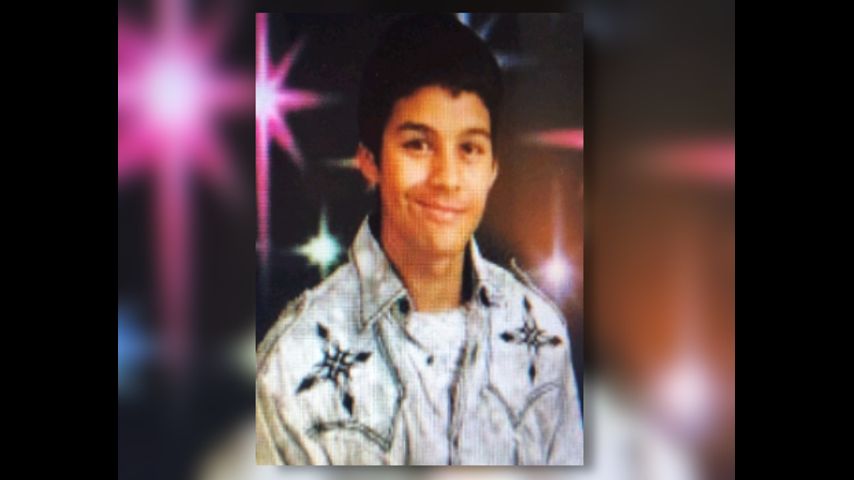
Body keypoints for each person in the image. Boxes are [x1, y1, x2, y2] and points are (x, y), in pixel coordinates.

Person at [256, 13, 583, 465]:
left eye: (469, 149)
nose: (447, 178)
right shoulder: (292, 365)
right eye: (418, 145)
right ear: (370, 161)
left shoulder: (543, 337)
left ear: (493, 169)